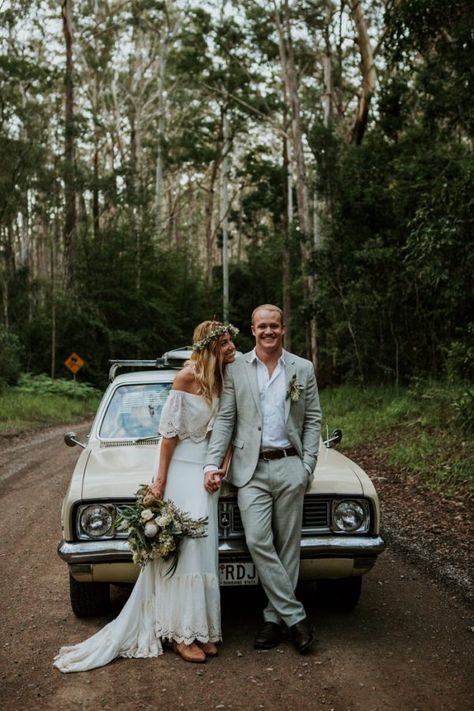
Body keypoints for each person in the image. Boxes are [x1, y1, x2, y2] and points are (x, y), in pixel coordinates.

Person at [54, 320, 237, 672]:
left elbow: (228, 432)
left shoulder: (224, 380)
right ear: (210, 346)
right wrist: (160, 482)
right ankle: (181, 634)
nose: (231, 348)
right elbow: (168, 435)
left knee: (204, 550)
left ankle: (203, 629)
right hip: (183, 469)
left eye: (231, 341)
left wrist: (220, 469)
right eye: (225, 342)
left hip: (207, 472)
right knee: (184, 550)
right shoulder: (186, 378)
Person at [204, 304, 321, 654]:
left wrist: (307, 465)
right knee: (257, 540)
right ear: (252, 330)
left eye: (274, 326)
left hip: (289, 464)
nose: (268, 331)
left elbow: (312, 418)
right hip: (249, 469)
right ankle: (297, 617)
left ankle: (273, 620)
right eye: (261, 326)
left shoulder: (302, 368)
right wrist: (212, 463)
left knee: (288, 545)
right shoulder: (236, 367)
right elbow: (225, 419)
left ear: (283, 328)